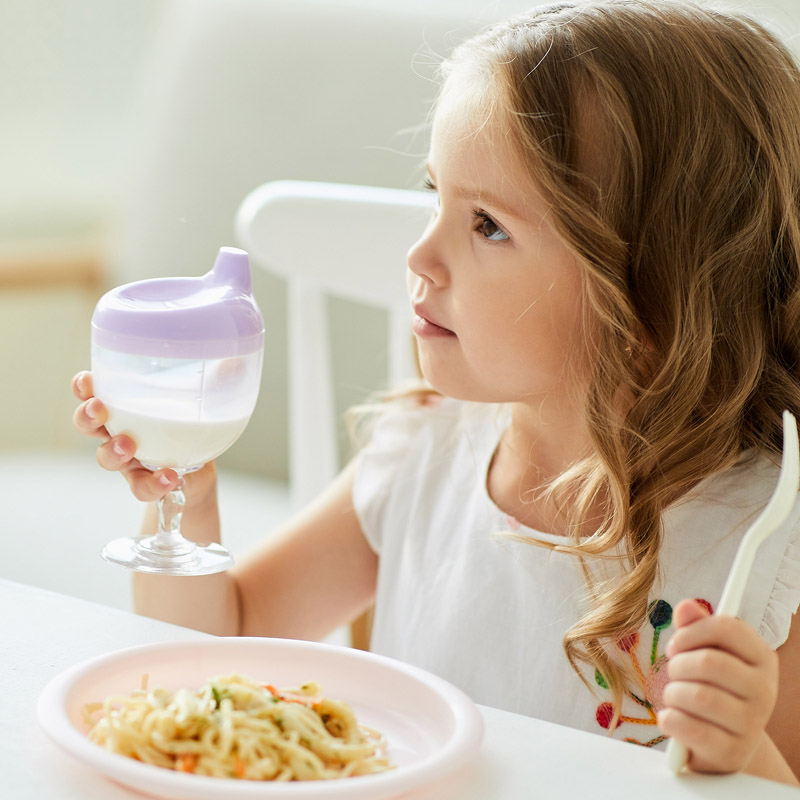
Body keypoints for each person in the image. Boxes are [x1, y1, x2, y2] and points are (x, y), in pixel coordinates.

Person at [72, 0, 800, 785]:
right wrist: (185, 498)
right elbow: (224, 637)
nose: (420, 253)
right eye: (434, 196)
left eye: (486, 224)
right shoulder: (424, 450)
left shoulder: (762, 540)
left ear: (650, 300)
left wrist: (741, 749)